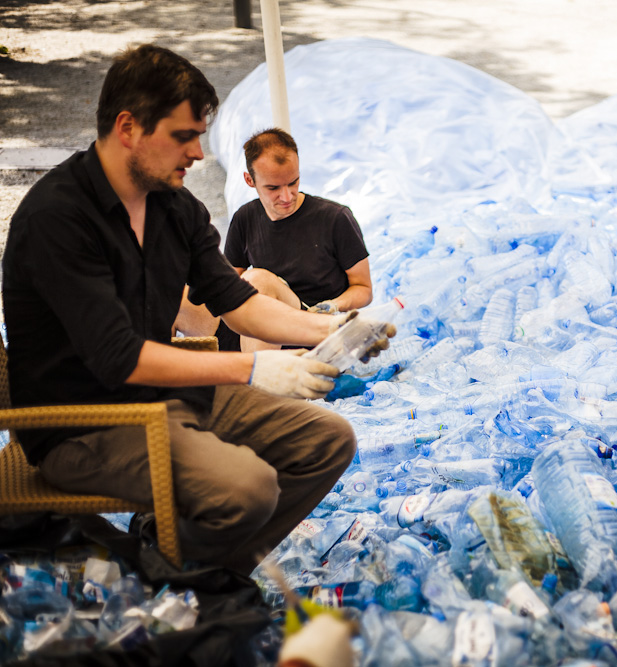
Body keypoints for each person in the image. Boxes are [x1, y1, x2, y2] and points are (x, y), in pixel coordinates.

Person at [1, 44, 392, 576]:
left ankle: (185, 564)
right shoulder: (59, 218)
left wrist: (336, 327)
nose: (199, 154)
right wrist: (254, 367)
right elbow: (120, 357)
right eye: (185, 136)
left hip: (167, 397)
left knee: (328, 441)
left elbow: (240, 302)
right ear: (128, 128)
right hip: (83, 423)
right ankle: (174, 572)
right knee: (248, 488)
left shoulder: (176, 205)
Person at [174, 128, 373, 352]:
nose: (287, 196)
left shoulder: (335, 218)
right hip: (256, 331)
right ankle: (157, 380)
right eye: (273, 188)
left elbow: (364, 288)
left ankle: (258, 383)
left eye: (293, 183)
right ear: (250, 180)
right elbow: (226, 284)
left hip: (310, 329)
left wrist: (333, 306)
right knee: (174, 296)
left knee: (258, 281)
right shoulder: (245, 218)